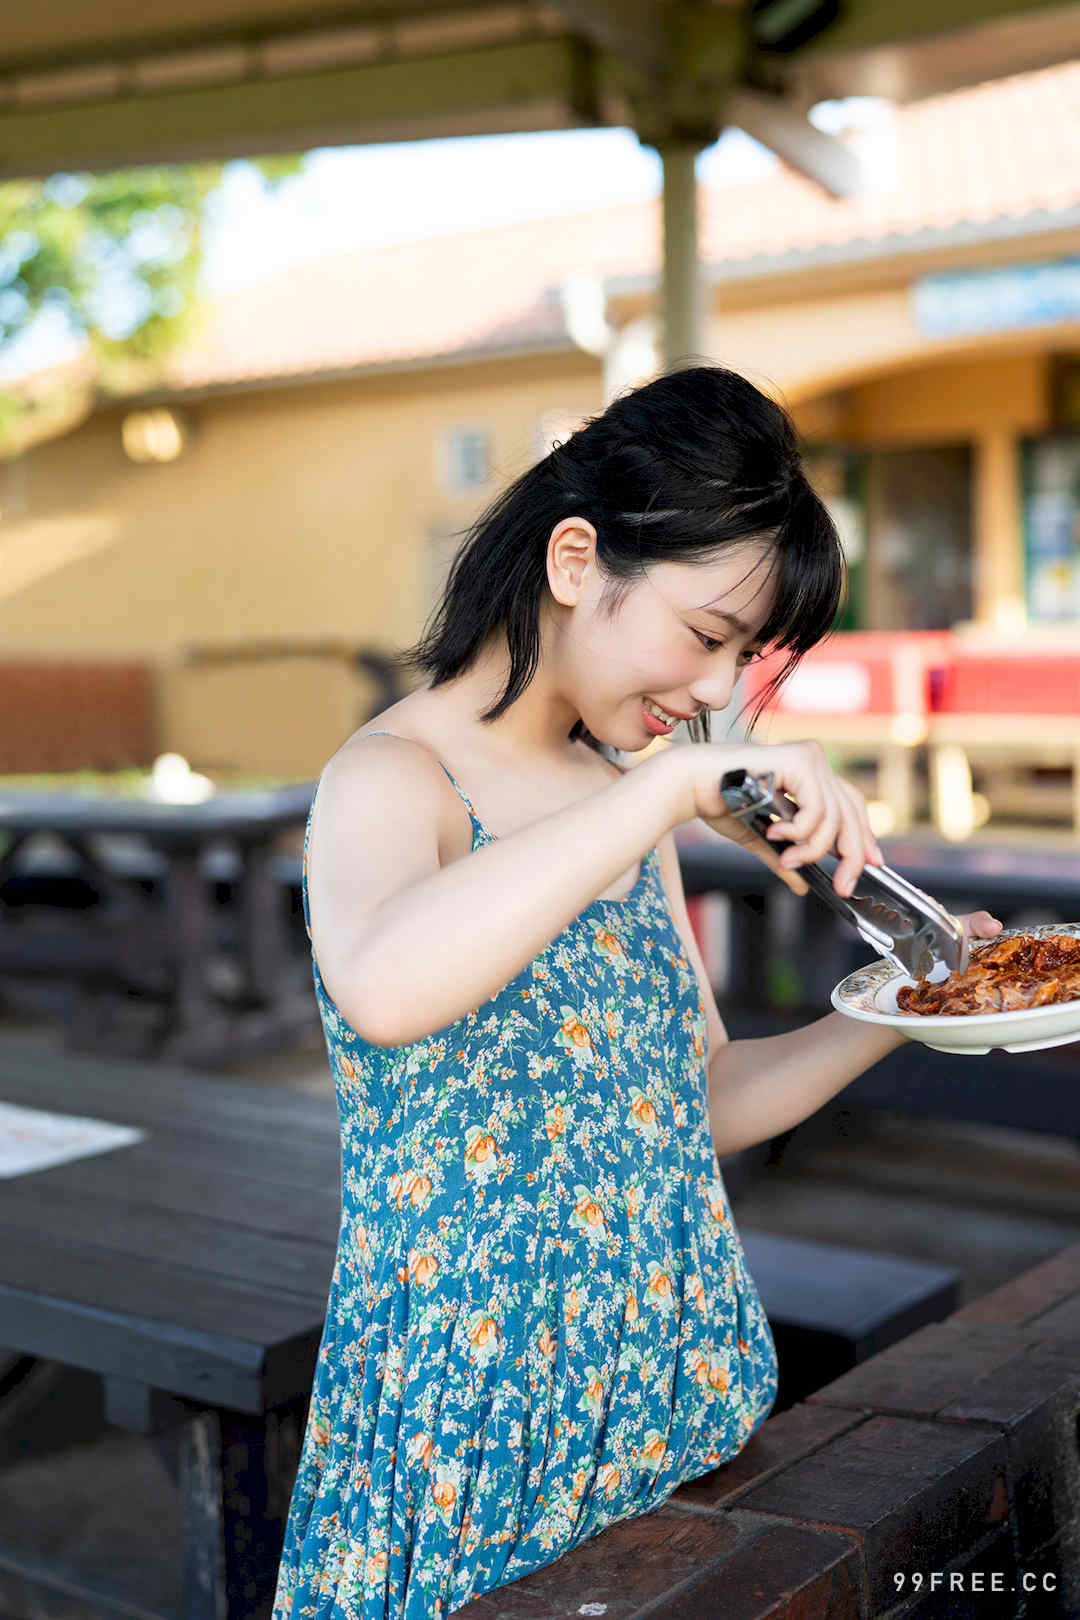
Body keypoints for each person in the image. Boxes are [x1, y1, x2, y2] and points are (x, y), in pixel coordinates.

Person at [271, 365, 1001, 1619]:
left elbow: (695, 1100)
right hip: (477, 1441)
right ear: (574, 560)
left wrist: (901, 1004)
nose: (719, 694)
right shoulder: (391, 779)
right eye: (709, 638)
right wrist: (664, 791)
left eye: (746, 658)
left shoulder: (625, 802)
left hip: (674, 1391)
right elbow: (387, 985)